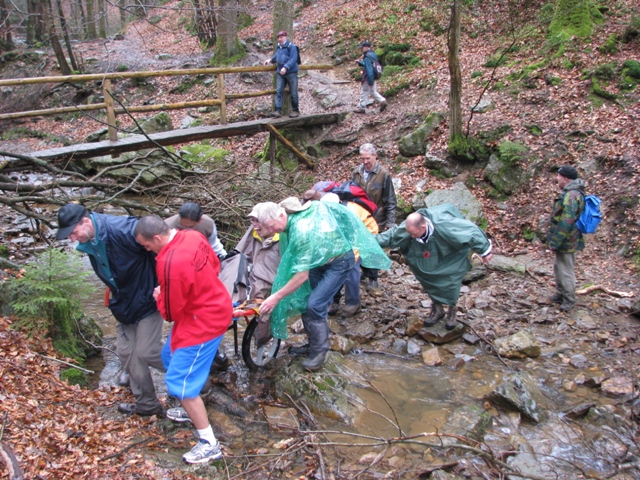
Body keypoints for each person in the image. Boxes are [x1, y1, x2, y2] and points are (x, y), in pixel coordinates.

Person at [134, 215, 232, 464]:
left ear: (157, 238)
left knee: (179, 383)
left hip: (203, 322)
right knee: (168, 356)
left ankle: (209, 443)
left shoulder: (168, 261)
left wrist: (159, 295)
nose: (147, 250)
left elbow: (169, 313)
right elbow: (214, 266)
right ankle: (192, 407)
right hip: (206, 307)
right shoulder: (193, 235)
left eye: (147, 246)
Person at [255, 198, 390, 371]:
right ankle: (313, 344)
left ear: (282, 215)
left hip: (340, 260)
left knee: (315, 304)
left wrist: (275, 297)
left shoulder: (301, 231)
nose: (273, 231)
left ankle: (320, 352)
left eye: (273, 226)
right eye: (269, 228)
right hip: (319, 260)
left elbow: (301, 276)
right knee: (305, 301)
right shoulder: (288, 220)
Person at [55, 204, 164, 417]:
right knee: (126, 352)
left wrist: (164, 285)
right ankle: (148, 404)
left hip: (147, 299)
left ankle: (194, 375)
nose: (72, 239)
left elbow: (161, 240)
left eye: (73, 233)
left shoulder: (123, 229)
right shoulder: (91, 239)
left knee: (148, 350)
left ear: (86, 222)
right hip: (124, 304)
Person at [376, 204, 492, 330]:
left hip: (449, 250)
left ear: (423, 226)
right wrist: (368, 241)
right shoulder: (410, 227)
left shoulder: (445, 224)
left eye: (414, 234)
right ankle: (437, 308)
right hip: (425, 251)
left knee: (451, 279)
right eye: (410, 234)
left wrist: (485, 250)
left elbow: (471, 231)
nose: (412, 236)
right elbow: (392, 236)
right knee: (425, 275)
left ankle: (452, 310)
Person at [303, 188, 379, 317]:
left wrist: (350, 258)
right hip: (346, 239)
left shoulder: (351, 212)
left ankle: (353, 303)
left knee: (351, 268)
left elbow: (355, 238)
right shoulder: (329, 211)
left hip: (368, 233)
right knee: (334, 266)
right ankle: (334, 301)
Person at [219, 205, 281, 346]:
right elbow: (240, 251)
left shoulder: (282, 236)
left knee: (261, 300)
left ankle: (262, 338)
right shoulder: (254, 230)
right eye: (252, 220)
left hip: (268, 278)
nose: (254, 224)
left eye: (256, 220)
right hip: (248, 270)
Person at [351, 143, 397, 289]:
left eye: (368, 158)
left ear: (375, 156)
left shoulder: (384, 174)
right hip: (359, 217)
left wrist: (390, 222)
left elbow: (390, 200)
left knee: (372, 247)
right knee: (359, 246)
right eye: (362, 159)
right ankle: (364, 271)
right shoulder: (356, 173)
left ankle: (373, 277)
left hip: (377, 218)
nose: (365, 162)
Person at [548, 165, 585, 312]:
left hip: (567, 239)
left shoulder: (572, 195)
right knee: (559, 267)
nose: (556, 178)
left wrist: (556, 242)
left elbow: (567, 220)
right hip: (566, 238)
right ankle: (561, 293)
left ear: (565, 178)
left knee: (565, 269)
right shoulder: (570, 193)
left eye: (558, 176)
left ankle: (569, 299)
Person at [263, 30, 300, 118]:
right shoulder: (279, 47)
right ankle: (278, 110)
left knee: (293, 92)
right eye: (278, 38)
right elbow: (277, 55)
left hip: (291, 73)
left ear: (285, 37)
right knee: (279, 91)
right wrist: (270, 60)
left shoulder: (292, 47)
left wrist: (286, 67)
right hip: (281, 73)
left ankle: (295, 110)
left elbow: (293, 58)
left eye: (281, 37)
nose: (280, 39)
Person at [354, 41, 387, 114]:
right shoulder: (373, 55)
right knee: (373, 91)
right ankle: (382, 101)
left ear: (366, 47)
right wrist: (360, 63)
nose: (361, 50)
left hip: (368, 77)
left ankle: (361, 107)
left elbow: (369, 69)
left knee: (364, 91)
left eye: (362, 48)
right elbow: (370, 65)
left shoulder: (367, 57)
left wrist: (370, 81)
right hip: (373, 76)